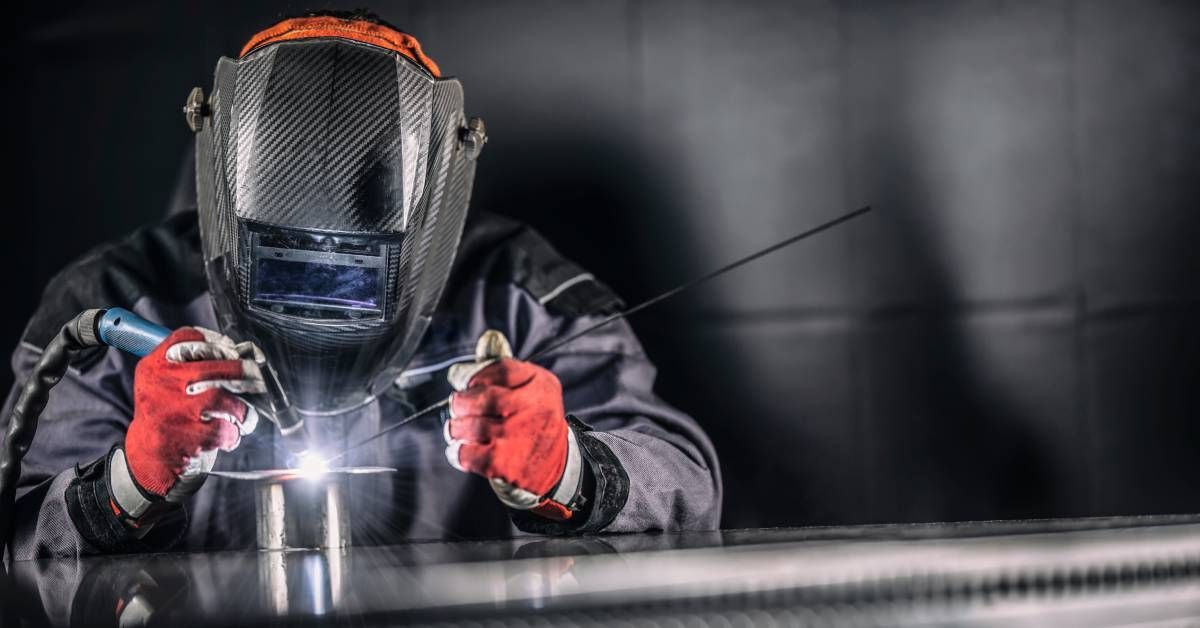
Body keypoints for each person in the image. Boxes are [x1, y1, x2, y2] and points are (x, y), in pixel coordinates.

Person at [2, 12, 720, 559]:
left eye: (351, 277)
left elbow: (687, 484)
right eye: (286, 268)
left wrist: (566, 466)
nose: (322, 300)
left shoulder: (519, 292)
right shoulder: (113, 299)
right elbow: (18, 531)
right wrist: (131, 478)